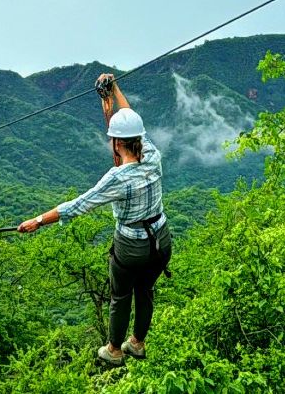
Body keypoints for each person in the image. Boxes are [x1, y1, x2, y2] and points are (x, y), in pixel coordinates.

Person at [18, 72, 171, 366]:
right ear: (138, 138)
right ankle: (137, 343)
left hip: (131, 248)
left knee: (121, 295)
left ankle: (114, 350)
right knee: (146, 290)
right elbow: (129, 118)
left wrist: (36, 221)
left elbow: (77, 206)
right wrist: (114, 91)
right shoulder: (153, 155)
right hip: (161, 240)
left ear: (115, 142)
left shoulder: (117, 179)